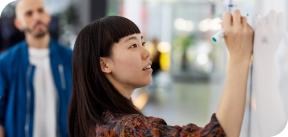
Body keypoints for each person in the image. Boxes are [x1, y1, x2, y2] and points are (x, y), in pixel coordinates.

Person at [68, 9, 253, 137]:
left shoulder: (94, 122)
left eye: (143, 43)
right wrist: (239, 57)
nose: (146, 53)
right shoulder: (128, 128)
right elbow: (218, 134)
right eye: (133, 45)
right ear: (104, 64)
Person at [0, 0, 72, 137]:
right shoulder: (5, 63)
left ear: (48, 15)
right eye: (29, 13)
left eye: (40, 11)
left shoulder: (71, 58)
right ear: (18, 23)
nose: (37, 17)